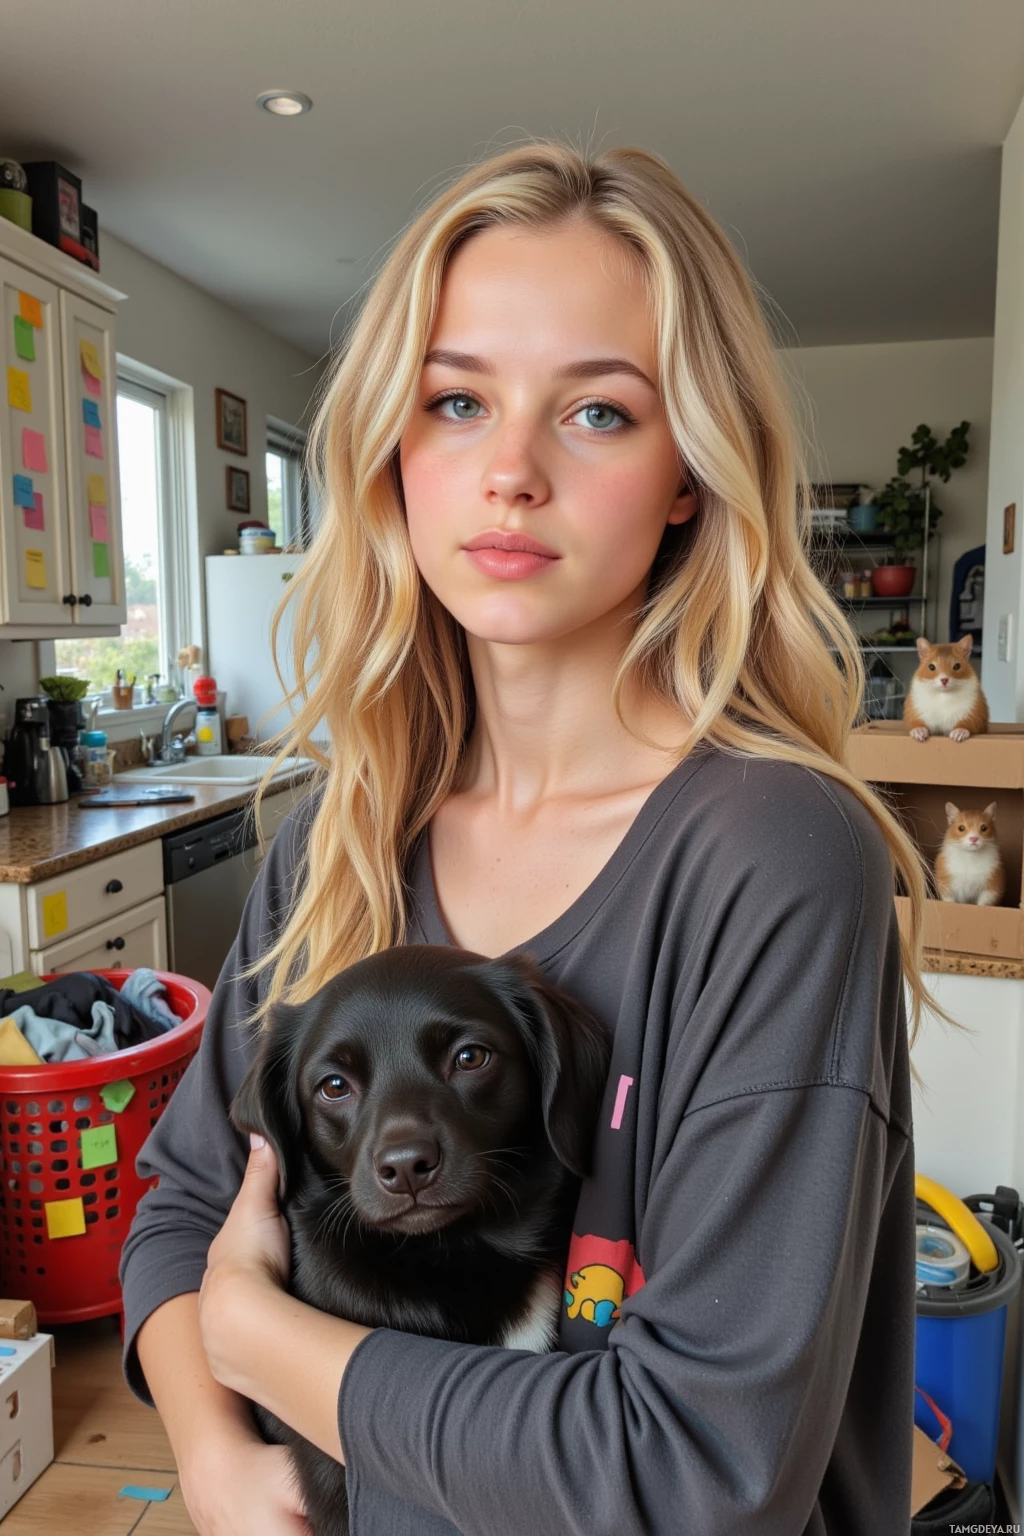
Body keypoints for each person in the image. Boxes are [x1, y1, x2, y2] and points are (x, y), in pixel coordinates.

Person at [121, 143, 936, 1534]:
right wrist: (210, 1446)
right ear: (395, 449)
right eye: (455, 401)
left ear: (692, 468)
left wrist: (265, 1349)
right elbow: (182, 1208)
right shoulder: (341, 834)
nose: (510, 472)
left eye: (600, 414)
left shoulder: (775, 861)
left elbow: (697, 1479)